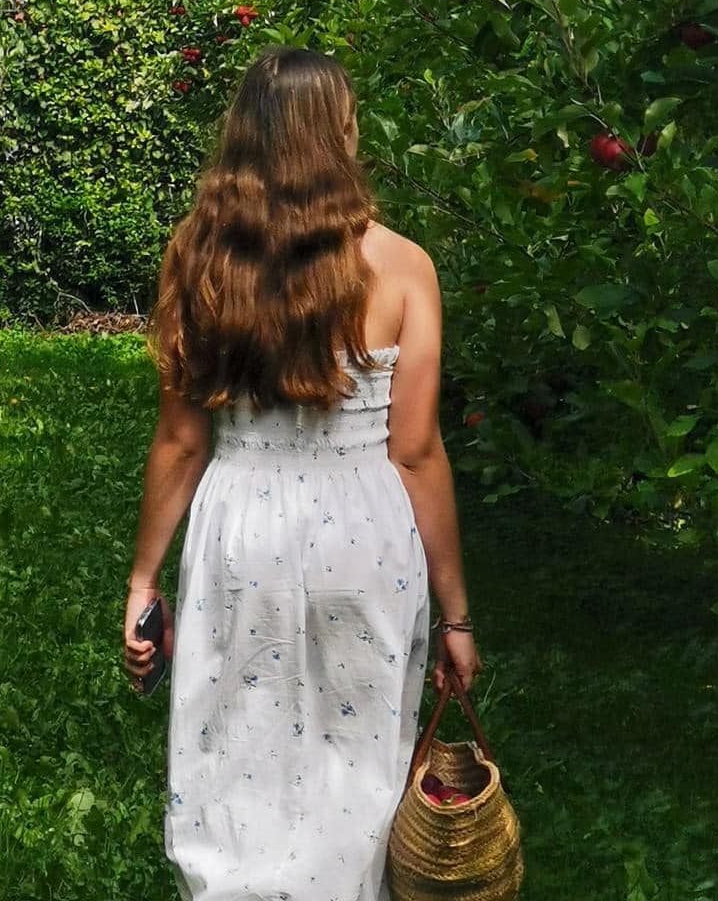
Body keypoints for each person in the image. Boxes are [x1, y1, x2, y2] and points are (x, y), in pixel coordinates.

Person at [123, 44, 480, 901]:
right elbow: (416, 450)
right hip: (364, 528)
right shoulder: (402, 265)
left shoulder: (199, 257)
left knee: (234, 753)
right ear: (342, 133)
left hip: (240, 521)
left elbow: (181, 441)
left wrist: (142, 580)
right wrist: (458, 614)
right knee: (358, 765)